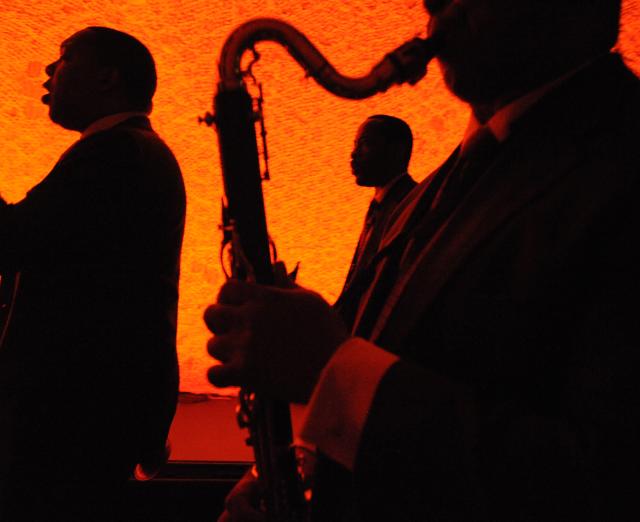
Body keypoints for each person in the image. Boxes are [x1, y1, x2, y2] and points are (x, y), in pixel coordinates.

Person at [206, 0, 640, 520]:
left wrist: (334, 372)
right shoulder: (444, 182)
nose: (434, 4)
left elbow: (604, 479)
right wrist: (302, 463)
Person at [0, 27, 185, 521]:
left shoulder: (113, 154)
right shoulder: (134, 153)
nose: (47, 71)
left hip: (72, 415)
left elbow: (15, 237)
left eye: (62, 60)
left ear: (107, 77)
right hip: (94, 413)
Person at [336, 115, 416, 303]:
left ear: (396, 151)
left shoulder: (408, 205)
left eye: (364, 144)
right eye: (355, 145)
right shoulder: (383, 204)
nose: (354, 154)